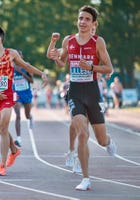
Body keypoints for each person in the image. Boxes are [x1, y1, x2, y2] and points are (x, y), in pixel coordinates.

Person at [47, 5, 117, 190]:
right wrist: (56, 57)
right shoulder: (68, 40)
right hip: (75, 92)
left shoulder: (98, 42)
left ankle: (109, 142)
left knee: (101, 140)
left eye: (87, 19)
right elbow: (62, 64)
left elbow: (109, 68)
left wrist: (92, 68)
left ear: (94, 23)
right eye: (80, 18)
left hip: (93, 92)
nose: (82, 22)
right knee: (83, 133)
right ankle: (86, 178)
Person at [0, 24, 47, 176]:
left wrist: (41, 73)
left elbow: (26, 66)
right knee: (0, 130)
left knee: (4, 129)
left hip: (7, 97)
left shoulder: (11, 53)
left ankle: (2, 165)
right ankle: (15, 150)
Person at [12, 50, 34, 147]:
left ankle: (30, 117)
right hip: (16, 94)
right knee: (18, 115)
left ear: (21, 56)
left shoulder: (26, 66)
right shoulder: (10, 67)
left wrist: (22, 73)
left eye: (19, 55)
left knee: (27, 115)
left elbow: (31, 80)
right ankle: (18, 139)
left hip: (26, 93)